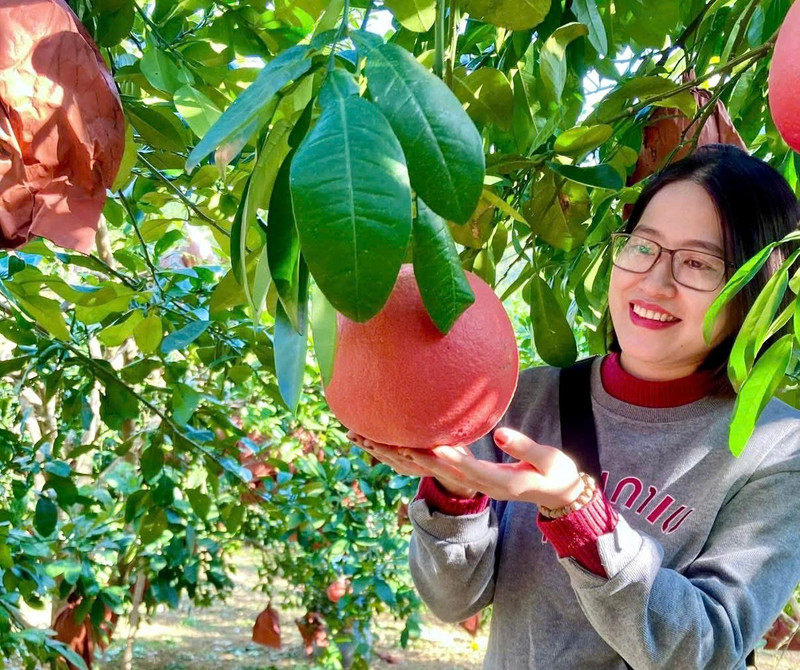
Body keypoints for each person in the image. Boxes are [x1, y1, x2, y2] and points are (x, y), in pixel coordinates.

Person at [347, 144, 800, 669]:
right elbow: (452, 600)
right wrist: (455, 495)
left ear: (758, 286)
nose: (654, 281)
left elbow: (706, 647)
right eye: (642, 247)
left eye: (699, 262)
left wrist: (578, 513)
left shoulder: (778, 452)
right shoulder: (519, 400)